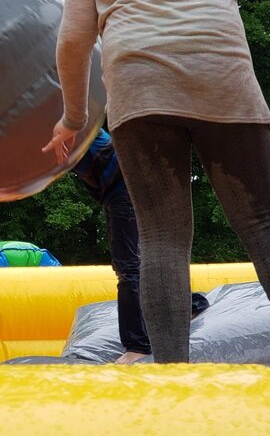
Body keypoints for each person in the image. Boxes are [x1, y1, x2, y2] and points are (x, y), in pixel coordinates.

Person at [43, 0, 270, 362]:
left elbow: (72, 40)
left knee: (162, 239)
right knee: (266, 224)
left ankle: (172, 377)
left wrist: (73, 118)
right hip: (221, 76)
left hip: (140, 90)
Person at [72, 127, 208, 364]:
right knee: (142, 257)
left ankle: (138, 346)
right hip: (129, 182)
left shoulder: (62, 122)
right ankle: (188, 304)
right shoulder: (58, 124)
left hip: (125, 183)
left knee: (128, 266)